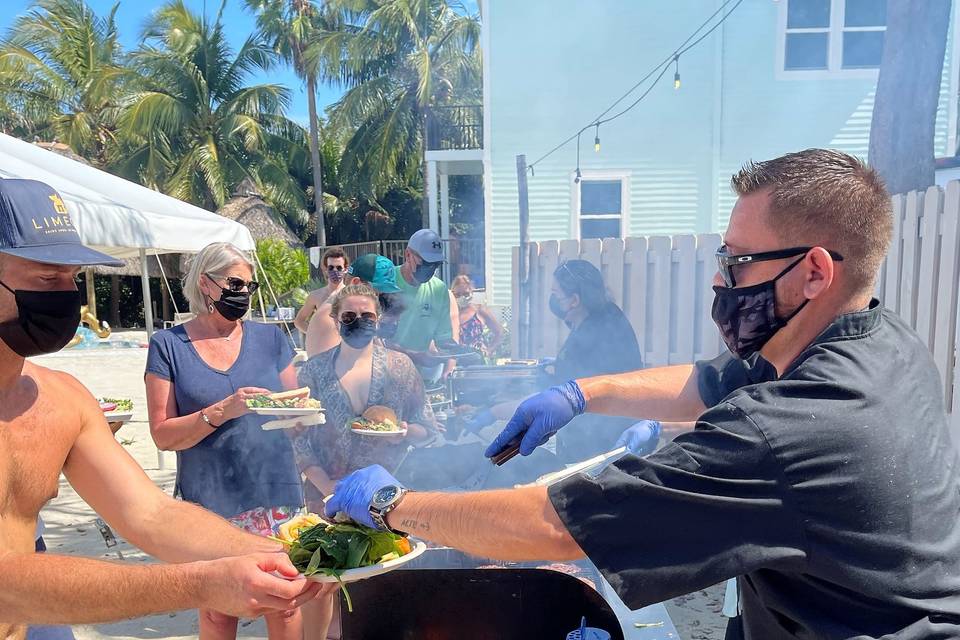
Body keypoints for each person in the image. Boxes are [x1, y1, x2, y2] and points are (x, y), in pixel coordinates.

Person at [324, 149, 960, 639]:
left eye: (738, 261)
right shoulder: (881, 341)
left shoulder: (789, 429)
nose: (720, 277)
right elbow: (708, 383)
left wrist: (391, 504)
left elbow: (555, 528)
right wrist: (579, 393)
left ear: (816, 271)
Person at [0, 178, 331, 640]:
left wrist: (284, 555)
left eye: (71, 278)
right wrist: (199, 581)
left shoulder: (64, 401)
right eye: (45, 277)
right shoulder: (169, 347)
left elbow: (151, 514)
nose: (65, 294)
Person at [145, 241, 332, 639]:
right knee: (217, 613)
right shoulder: (169, 346)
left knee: (282, 605)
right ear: (205, 283)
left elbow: (294, 404)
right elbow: (162, 434)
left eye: (249, 286)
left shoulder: (271, 339)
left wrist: (300, 419)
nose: (243, 293)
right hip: (208, 501)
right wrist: (222, 411)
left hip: (273, 492)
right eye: (234, 283)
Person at [293, 283, 438, 506]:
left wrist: (405, 432)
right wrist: (326, 485)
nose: (359, 320)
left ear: (378, 320)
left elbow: (428, 429)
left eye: (367, 315)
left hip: (387, 498)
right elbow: (297, 436)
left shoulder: (401, 366)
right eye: (349, 316)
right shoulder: (314, 370)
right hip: (326, 499)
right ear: (335, 320)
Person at [302, 253, 403, 357]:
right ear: (356, 283)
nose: (377, 300)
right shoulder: (329, 318)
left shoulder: (352, 315)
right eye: (376, 293)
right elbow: (328, 368)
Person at [391, 229, 459, 379]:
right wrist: (412, 356)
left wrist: (461, 351)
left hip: (415, 378)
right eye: (426, 262)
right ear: (408, 254)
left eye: (435, 264)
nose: (430, 269)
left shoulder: (439, 290)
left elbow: (443, 339)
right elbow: (374, 340)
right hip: (382, 374)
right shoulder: (385, 282)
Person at [296, 248, 349, 355]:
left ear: (345, 269)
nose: (335, 271)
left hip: (344, 351)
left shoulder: (351, 295)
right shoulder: (315, 296)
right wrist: (314, 333)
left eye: (339, 268)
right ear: (325, 269)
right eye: (331, 267)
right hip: (321, 352)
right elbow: (299, 321)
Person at [451, 275, 504, 360]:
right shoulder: (447, 313)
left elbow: (499, 332)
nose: (462, 297)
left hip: (477, 359)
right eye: (457, 295)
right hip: (454, 360)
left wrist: (489, 350)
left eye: (465, 294)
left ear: (471, 292)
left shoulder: (480, 310)